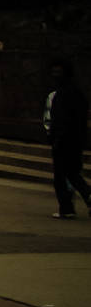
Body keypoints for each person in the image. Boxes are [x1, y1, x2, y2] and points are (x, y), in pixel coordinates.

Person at [45, 59, 89, 219]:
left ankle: (67, 207)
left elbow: (61, 120)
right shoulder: (74, 93)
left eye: (58, 72)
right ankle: (75, 203)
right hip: (75, 140)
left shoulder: (63, 94)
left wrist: (56, 138)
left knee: (63, 175)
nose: (55, 75)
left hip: (65, 140)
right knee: (72, 173)